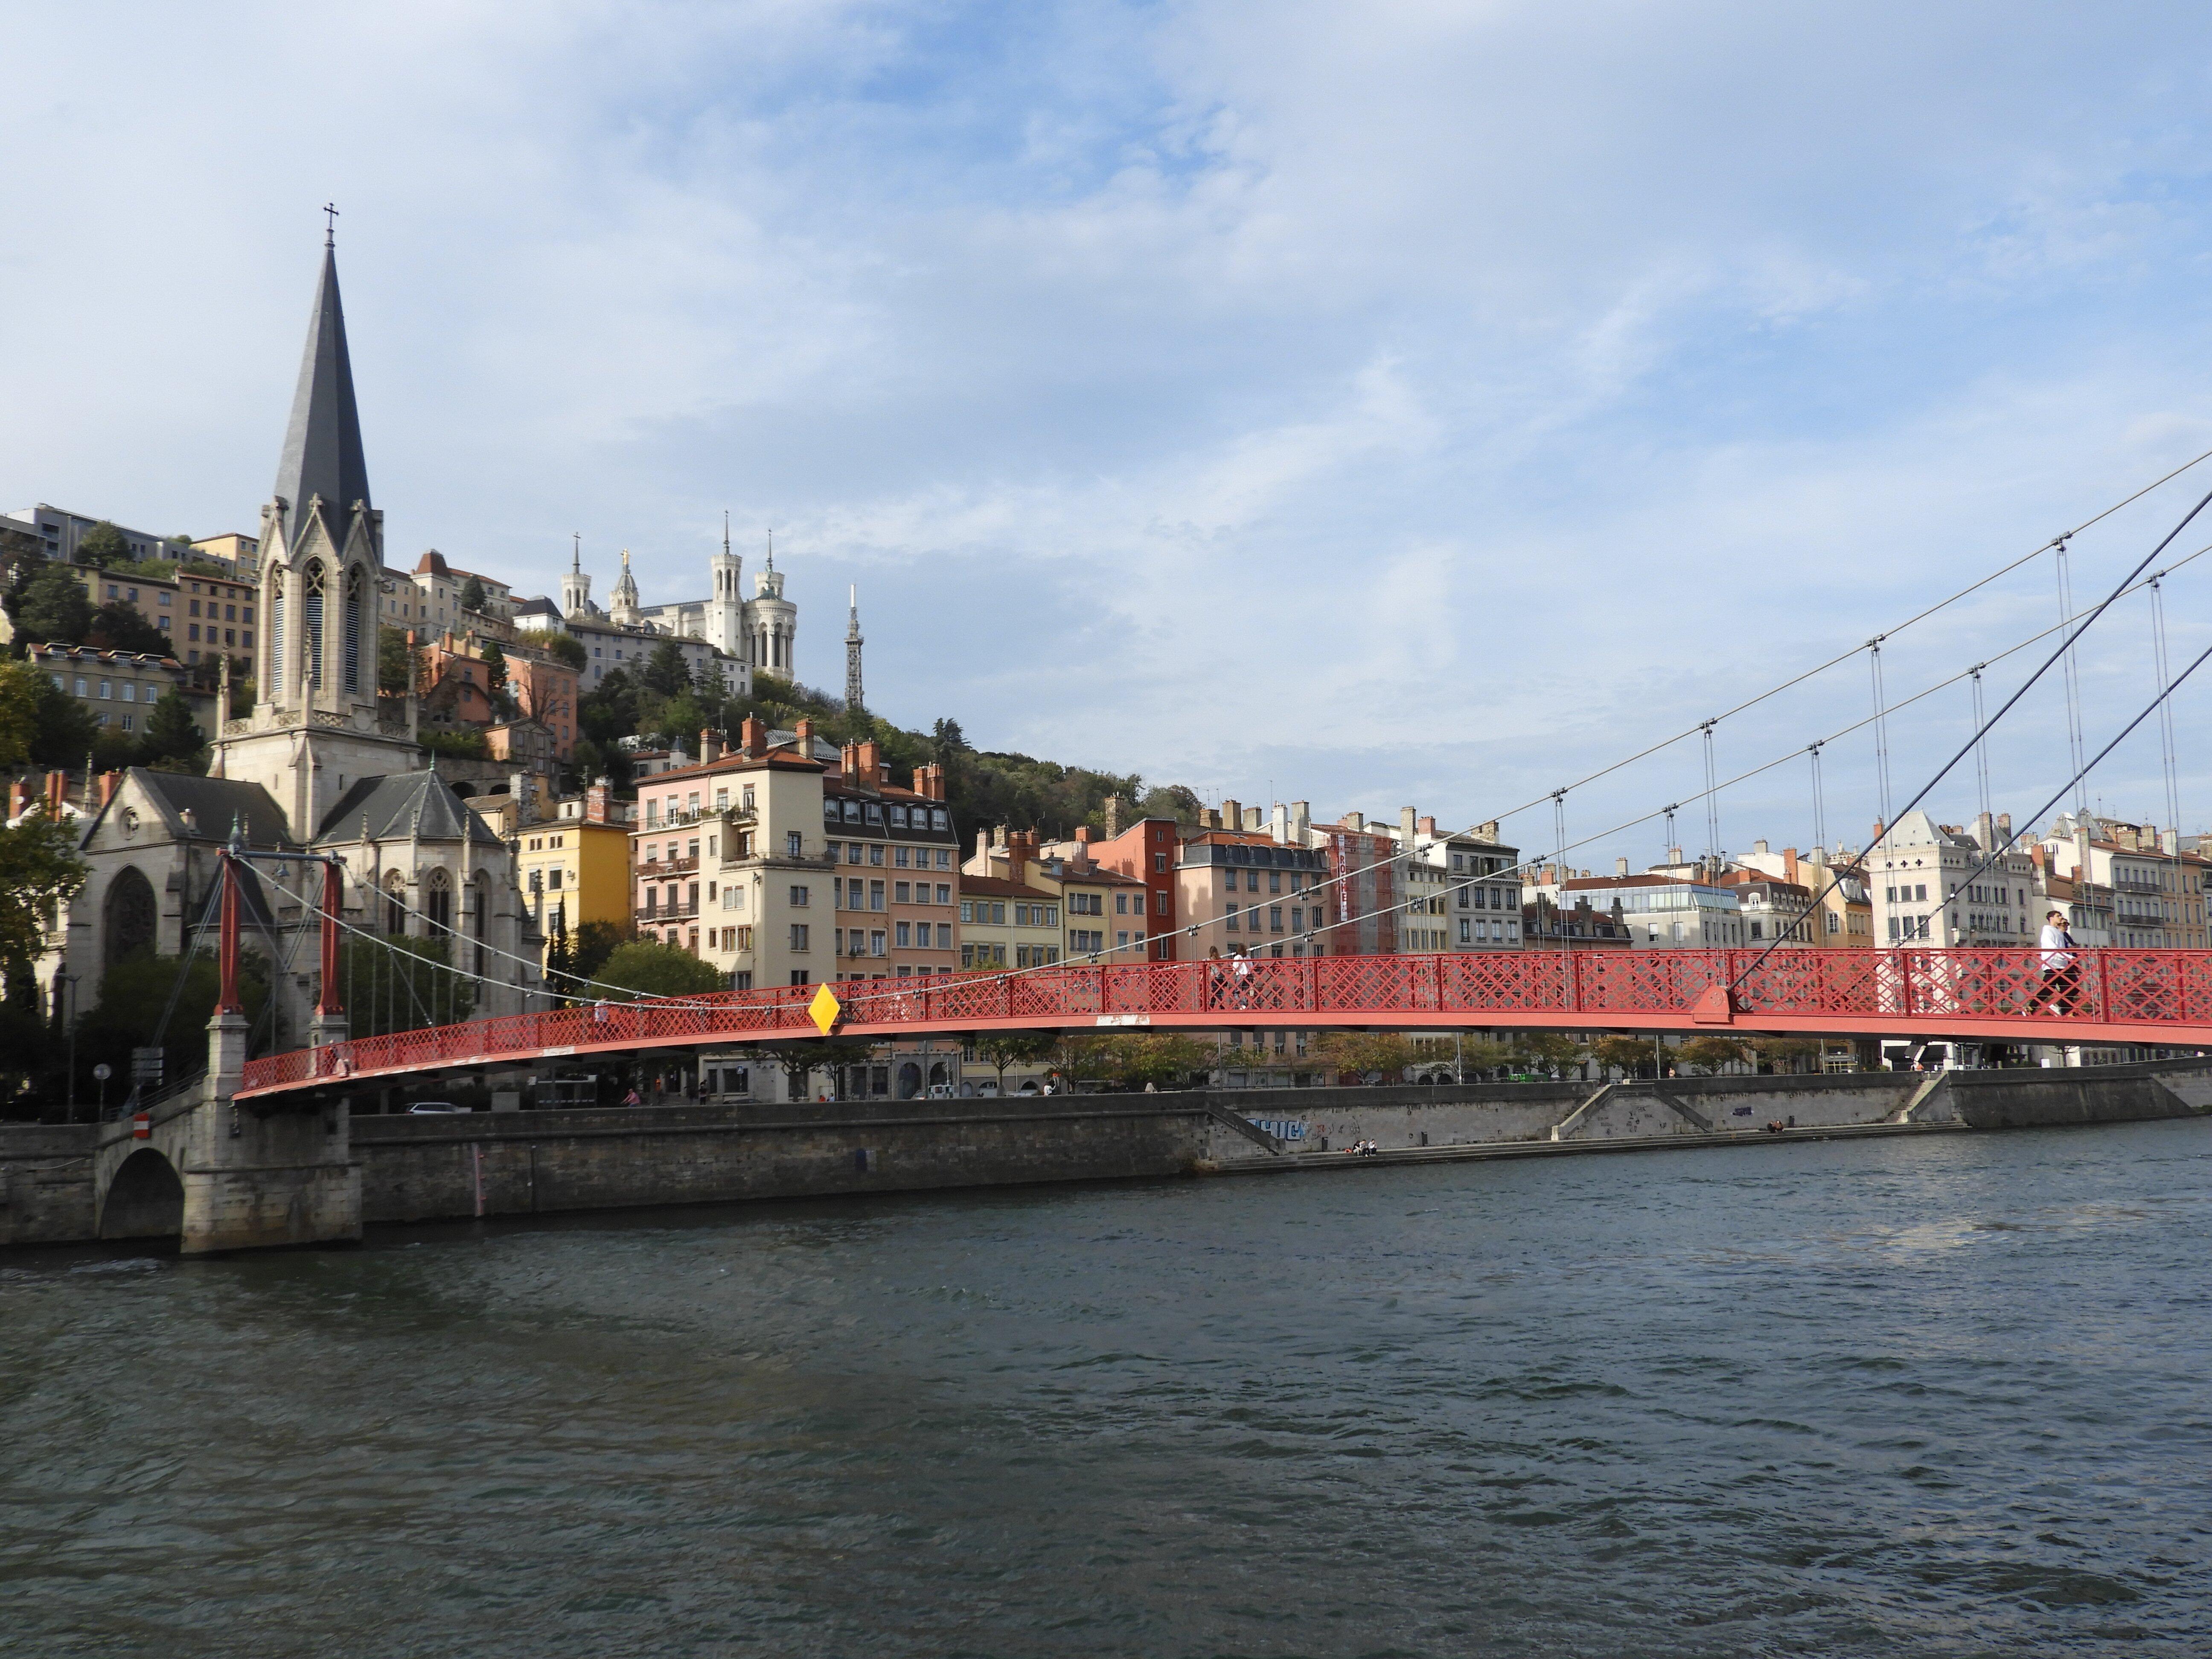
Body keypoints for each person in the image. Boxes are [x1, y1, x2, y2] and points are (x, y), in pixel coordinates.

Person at [2032, 909, 2080, 1015]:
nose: (2060, 918)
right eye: (2058, 916)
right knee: (2048, 989)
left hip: (2063, 964)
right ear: (2051, 918)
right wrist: (2069, 958)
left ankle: (2066, 1011)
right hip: (2052, 964)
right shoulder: (2047, 932)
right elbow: (2053, 949)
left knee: (2071, 987)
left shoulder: (2059, 932)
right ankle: (2031, 1008)